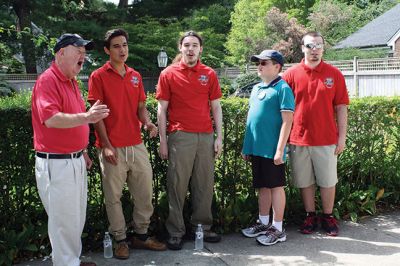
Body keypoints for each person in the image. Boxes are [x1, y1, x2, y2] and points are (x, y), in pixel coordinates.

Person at [87, 28, 166, 260]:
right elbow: (98, 113)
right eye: (116, 46)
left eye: (124, 45)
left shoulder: (135, 75)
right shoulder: (98, 76)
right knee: (113, 197)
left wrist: (149, 123)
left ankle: (141, 236)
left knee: (144, 193)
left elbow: (141, 108)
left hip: (136, 145)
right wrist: (107, 145)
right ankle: (120, 239)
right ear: (107, 50)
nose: (122, 50)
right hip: (111, 147)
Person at [32, 33, 109, 266]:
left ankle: (71, 260)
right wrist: (87, 116)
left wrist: (82, 150)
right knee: (63, 221)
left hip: (73, 160)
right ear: (61, 53)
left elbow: (74, 123)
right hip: (57, 163)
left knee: (75, 217)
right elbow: (52, 119)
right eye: (78, 51)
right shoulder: (48, 80)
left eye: (84, 53)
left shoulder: (71, 81)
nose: (83, 57)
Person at [156, 30, 223, 250]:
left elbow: (216, 107)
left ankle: (201, 227)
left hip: (205, 136)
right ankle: (176, 231)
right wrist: (164, 141)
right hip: (180, 136)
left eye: (195, 45)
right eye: (187, 45)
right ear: (180, 48)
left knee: (204, 183)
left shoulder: (209, 73)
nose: (191, 49)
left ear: (200, 49)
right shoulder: (168, 73)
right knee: (177, 184)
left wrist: (219, 137)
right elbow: (161, 109)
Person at [282, 31, 349, 236]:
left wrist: (342, 137)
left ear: (323, 48)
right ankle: (310, 215)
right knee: (305, 181)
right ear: (302, 48)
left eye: (318, 45)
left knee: (328, 181)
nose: (314, 50)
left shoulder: (334, 74)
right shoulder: (290, 75)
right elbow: (282, 109)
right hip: (299, 138)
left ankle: (328, 217)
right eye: (310, 46)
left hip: (326, 139)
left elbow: (341, 107)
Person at [241, 50, 294, 246]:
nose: (260, 66)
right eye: (258, 63)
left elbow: (287, 122)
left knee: (276, 187)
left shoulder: (283, 88)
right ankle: (263, 223)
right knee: (262, 186)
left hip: (273, 150)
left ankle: (278, 228)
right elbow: (251, 121)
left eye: (264, 63)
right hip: (257, 149)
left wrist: (280, 150)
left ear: (277, 67)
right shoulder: (256, 89)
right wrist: (247, 147)